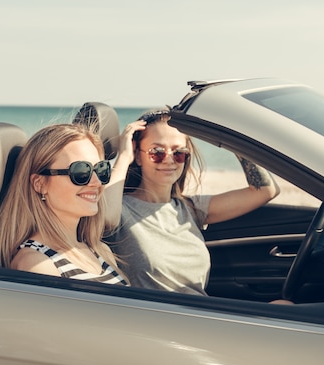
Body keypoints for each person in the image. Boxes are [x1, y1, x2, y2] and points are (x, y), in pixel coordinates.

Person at [104, 109, 279, 295]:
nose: (169, 160)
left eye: (179, 152)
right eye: (157, 152)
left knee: (284, 306)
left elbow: (265, 191)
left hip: (200, 313)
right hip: (161, 319)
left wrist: (230, 137)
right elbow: (105, 216)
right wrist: (123, 157)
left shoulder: (190, 208)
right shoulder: (119, 209)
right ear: (137, 156)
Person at [0, 123, 128, 286]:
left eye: (101, 170)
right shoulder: (36, 263)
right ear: (40, 183)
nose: (96, 182)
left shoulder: (100, 250)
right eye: (81, 172)